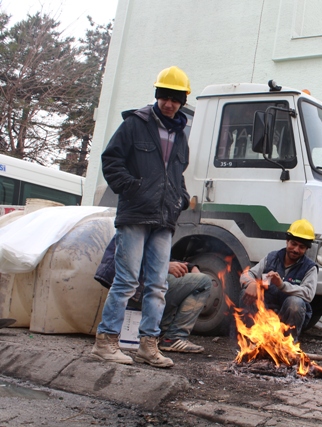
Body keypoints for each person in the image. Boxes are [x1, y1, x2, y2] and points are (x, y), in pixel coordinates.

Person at [91, 66, 192, 368]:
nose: (169, 103)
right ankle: (105, 342)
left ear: (182, 101)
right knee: (126, 281)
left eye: (175, 99)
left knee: (158, 286)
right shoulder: (135, 124)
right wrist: (131, 188)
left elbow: (176, 174)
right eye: (164, 96)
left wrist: (181, 198)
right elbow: (110, 160)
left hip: (164, 220)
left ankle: (148, 345)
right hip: (135, 215)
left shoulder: (180, 135)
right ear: (157, 95)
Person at [95, 237, 212, 354]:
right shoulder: (141, 226)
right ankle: (174, 337)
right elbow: (128, 261)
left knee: (175, 281)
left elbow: (157, 256)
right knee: (204, 282)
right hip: (134, 291)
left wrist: (189, 266)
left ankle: (162, 332)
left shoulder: (147, 226)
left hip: (136, 289)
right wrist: (164, 266)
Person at [239, 219, 318, 341]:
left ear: (306, 249)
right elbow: (247, 274)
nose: (296, 249)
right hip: (265, 314)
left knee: (295, 303)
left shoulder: (310, 267)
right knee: (246, 292)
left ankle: (287, 345)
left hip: (287, 319)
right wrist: (251, 283)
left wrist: (282, 285)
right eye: (293, 244)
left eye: (301, 247)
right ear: (287, 241)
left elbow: (308, 294)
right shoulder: (271, 258)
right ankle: (253, 340)